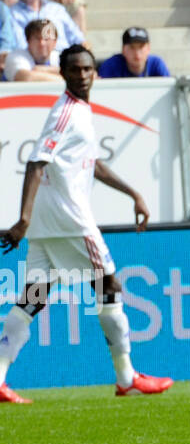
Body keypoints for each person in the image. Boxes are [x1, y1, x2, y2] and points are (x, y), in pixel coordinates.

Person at [0, 46, 172, 404]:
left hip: (49, 226)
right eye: (75, 70)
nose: (82, 75)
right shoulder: (66, 112)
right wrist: (23, 220)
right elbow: (35, 162)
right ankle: (126, 377)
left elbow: (91, 164)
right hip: (69, 220)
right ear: (62, 73)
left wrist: (133, 193)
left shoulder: (82, 113)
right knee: (109, 283)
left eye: (87, 69)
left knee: (34, 297)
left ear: (95, 72)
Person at [96, 27, 172, 78]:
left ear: (148, 48)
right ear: (123, 50)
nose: (137, 53)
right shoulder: (111, 66)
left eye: (141, 47)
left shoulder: (156, 64)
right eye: (132, 47)